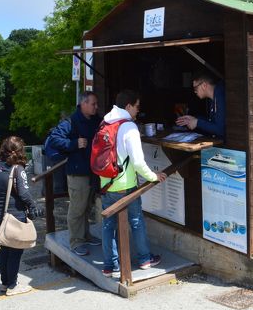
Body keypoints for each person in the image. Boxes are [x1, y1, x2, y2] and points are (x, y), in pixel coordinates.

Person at [100, 89, 168, 277]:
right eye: (137, 106)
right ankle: (145, 259)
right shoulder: (129, 127)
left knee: (108, 225)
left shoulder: (105, 122)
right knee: (136, 221)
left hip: (106, 183)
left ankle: (109, 266)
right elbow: (137, 162)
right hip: (125, 185)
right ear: (128, 106)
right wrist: (153, 176)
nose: (139, 110)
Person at [47, 92, 101, 256]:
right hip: (77, 173)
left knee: (86, 207)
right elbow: (54, 139)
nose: (96, 107)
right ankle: (76, 242)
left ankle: (85, 236)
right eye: (93, 104)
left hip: (91, 172)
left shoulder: (95, 120)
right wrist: (73, 143)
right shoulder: (70, 122)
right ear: (83, 104)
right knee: (77, 209)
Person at [0, 136, 42, 296]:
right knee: (15, 250)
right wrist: (34, 205)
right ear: (19, 151)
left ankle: (5, 283)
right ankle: (12, 285)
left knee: (4, 247)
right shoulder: (17, 169)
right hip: (14, 214)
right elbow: (24, 193)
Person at [175, 72, 226, 139]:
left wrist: (197, 123)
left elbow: (221, 130)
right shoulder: (213, 97)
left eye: (195, 88)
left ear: (204, 85)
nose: (194, 91)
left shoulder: (221, 96)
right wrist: (194, 119)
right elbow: (213, 123)